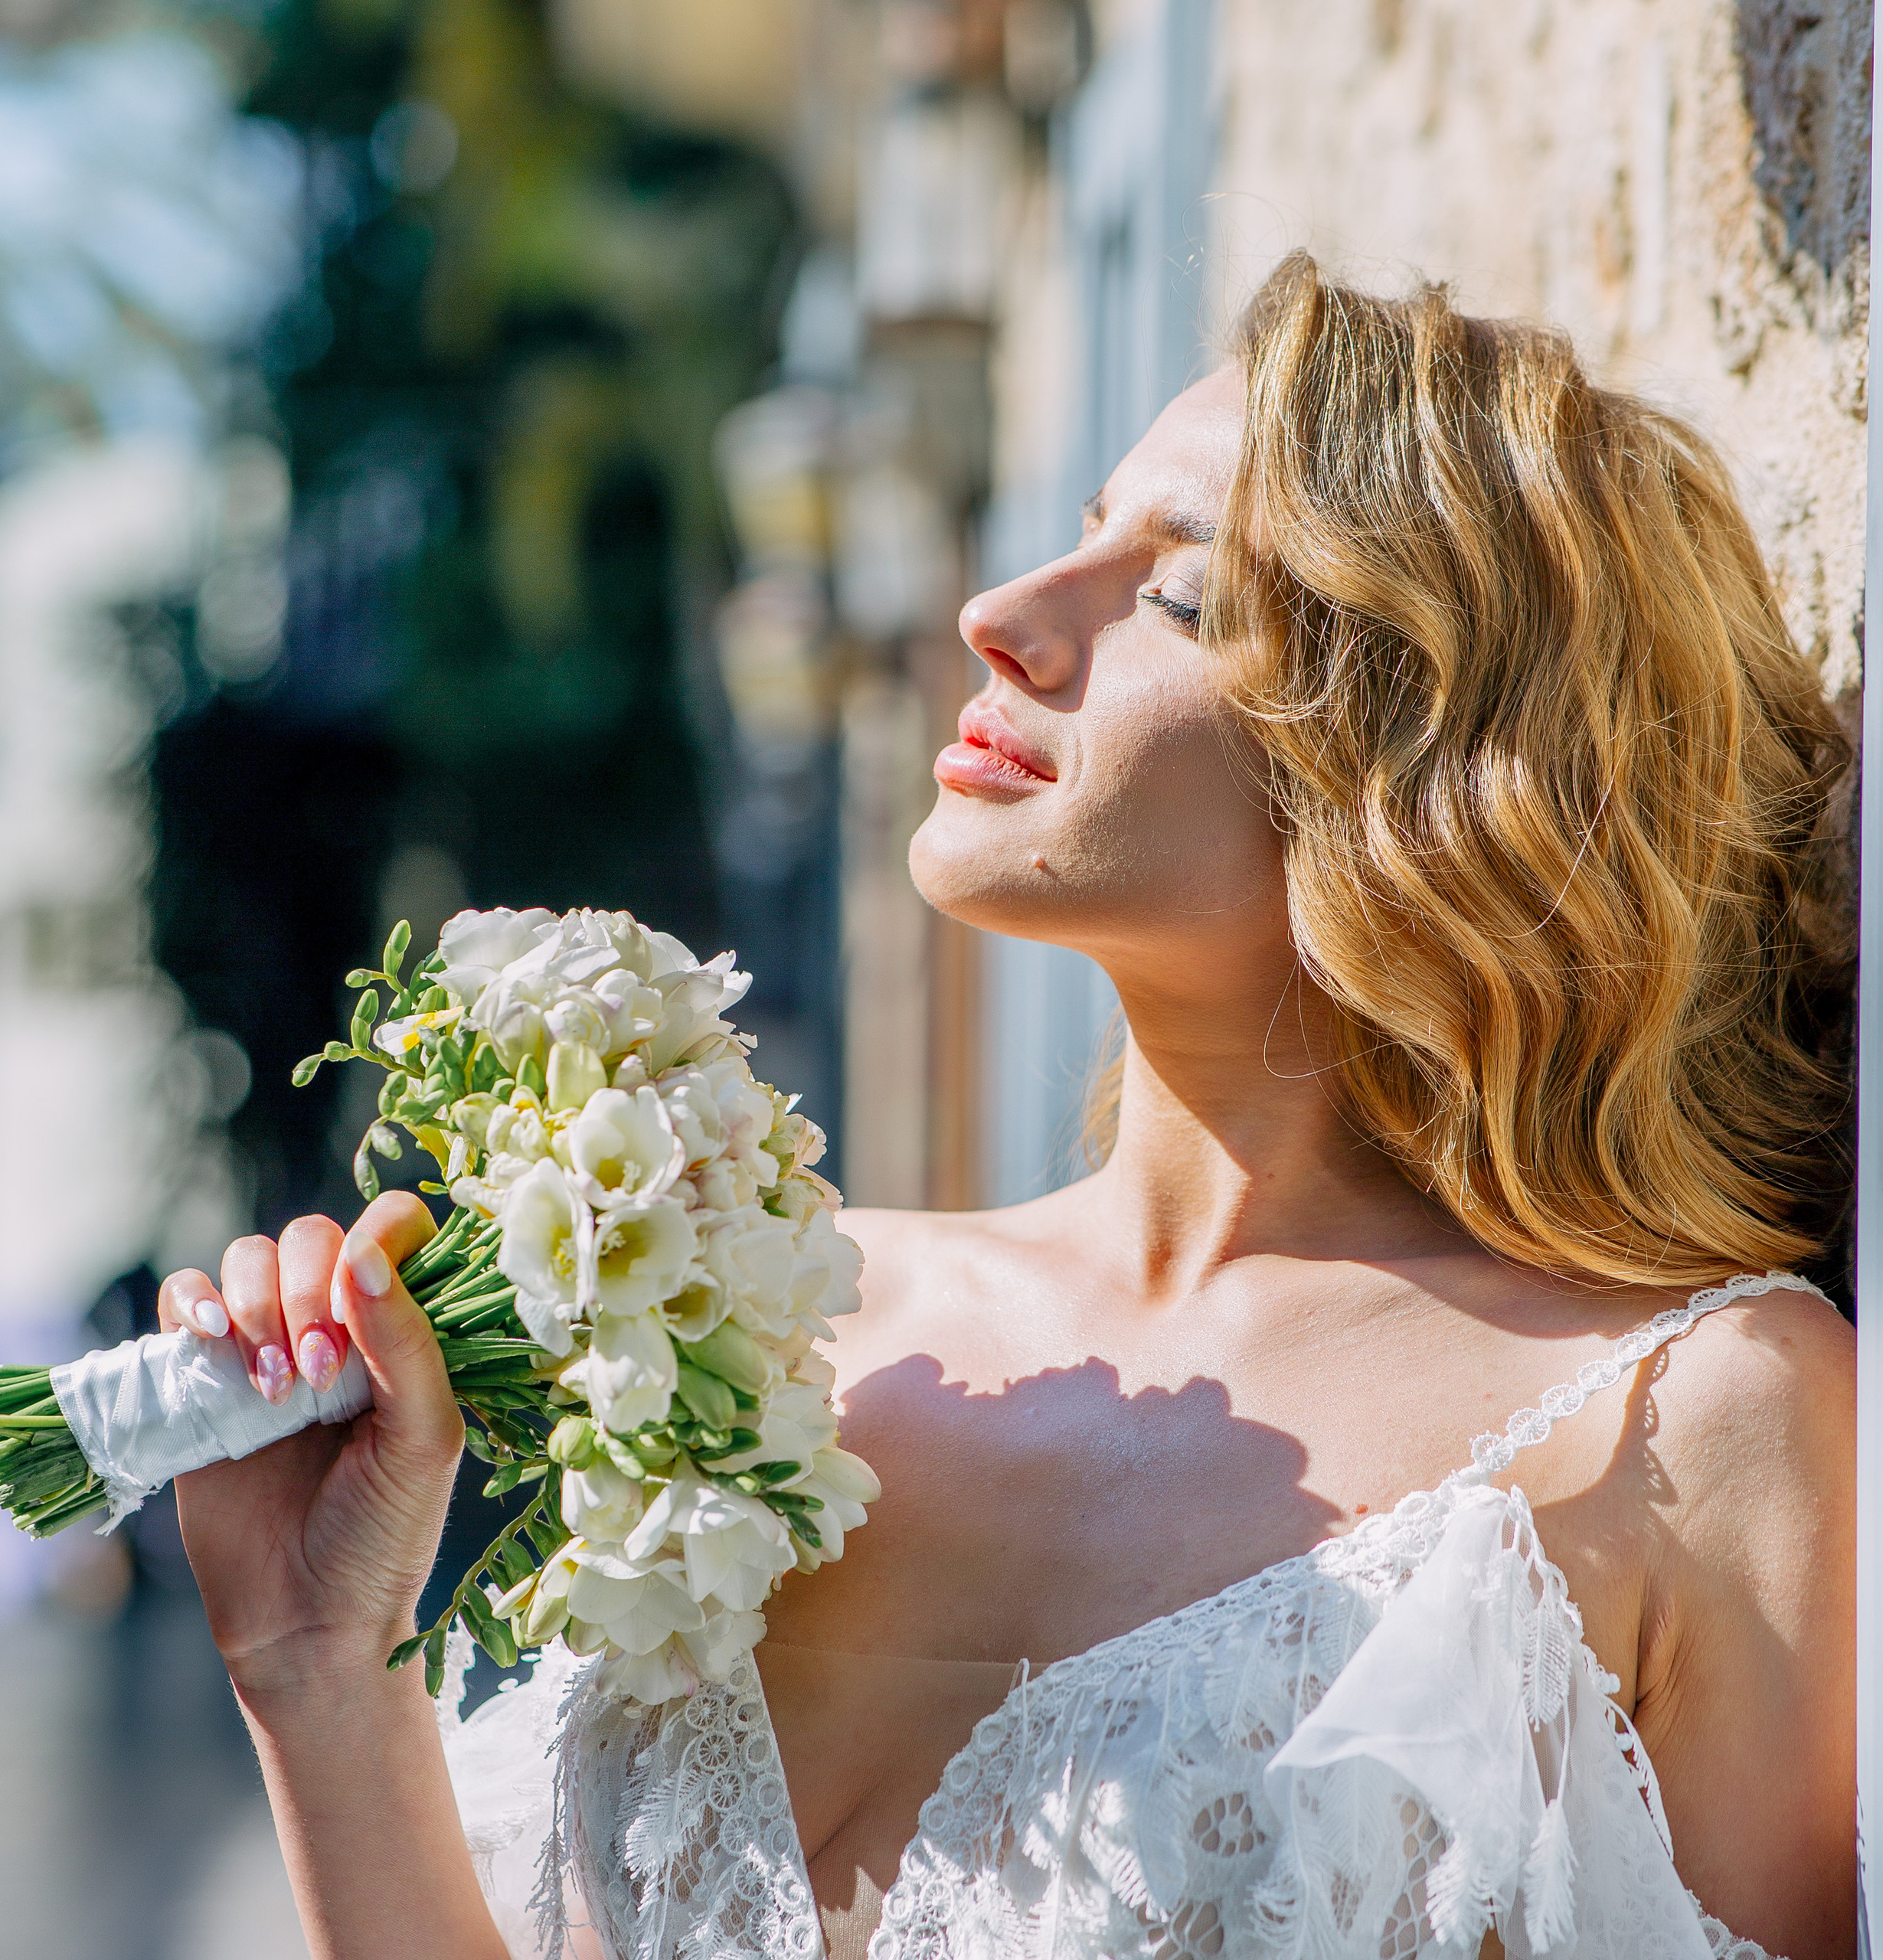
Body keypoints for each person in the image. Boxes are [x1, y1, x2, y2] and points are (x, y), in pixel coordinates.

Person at [158, 255, 1856, 1960]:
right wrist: (315, 1666)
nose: (1003, 610)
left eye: (1177, 595)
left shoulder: (1696, 1426)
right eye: (1081, 530)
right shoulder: (791, 1333)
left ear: (1445, 773)